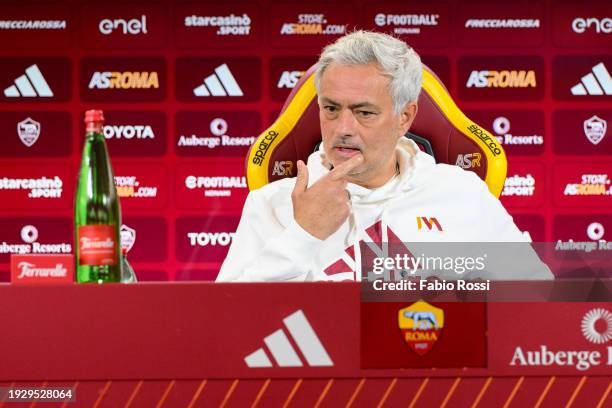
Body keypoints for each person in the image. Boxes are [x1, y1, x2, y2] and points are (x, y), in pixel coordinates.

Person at [216, 31, 552, 282]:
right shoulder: (272, 203)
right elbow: (226, 326)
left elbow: (537, 301)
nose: (343, 128)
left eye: (364, 113)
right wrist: (303, 234)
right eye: (331, 109)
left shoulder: (463, 193)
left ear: (404, 117)